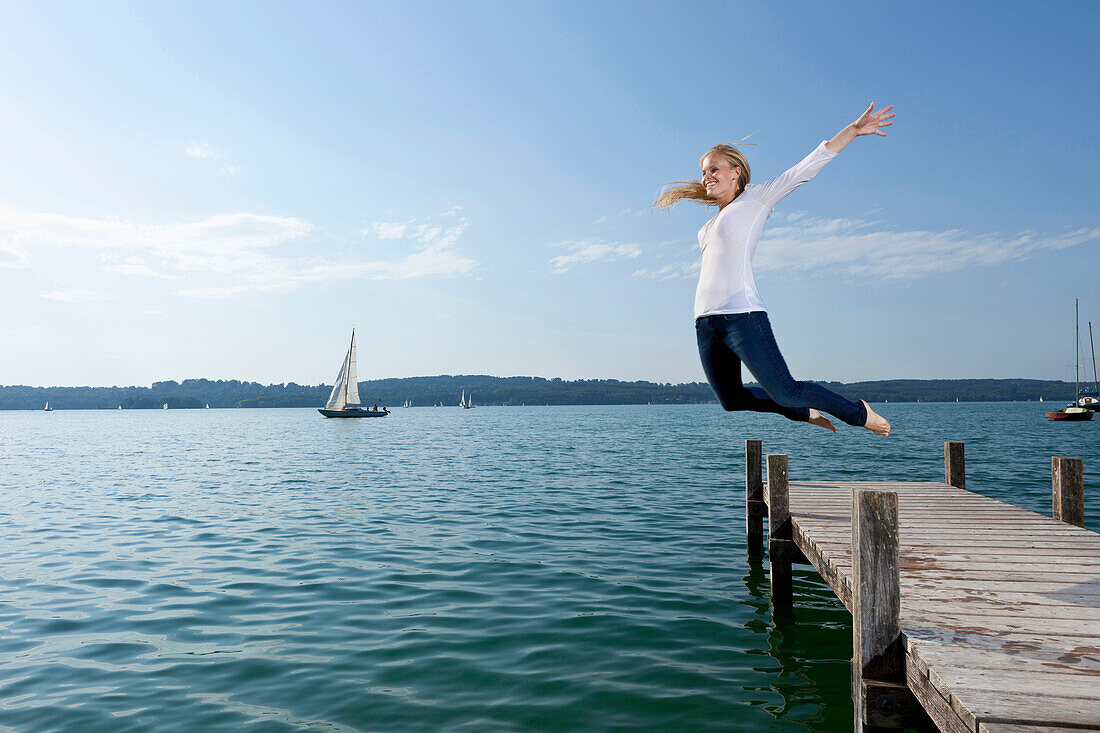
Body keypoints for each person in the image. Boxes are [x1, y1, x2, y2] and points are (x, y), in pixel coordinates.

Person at [655, 103, 894, 435]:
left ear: (736, 171)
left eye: (714, 169)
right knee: (731, 399)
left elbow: (807, 168)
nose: (706, 177)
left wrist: (852, 130)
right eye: (704, 172)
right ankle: (802, 413)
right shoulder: (708, 226)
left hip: (742, 316)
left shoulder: (755, 199)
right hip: (706, 323)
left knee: (785, 389)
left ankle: (857, 413)